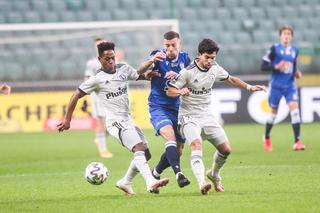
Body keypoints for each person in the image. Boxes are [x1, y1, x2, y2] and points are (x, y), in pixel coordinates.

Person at [57, 41, 169, 195]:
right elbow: (76, 95)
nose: (110, 61)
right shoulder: (97, 79)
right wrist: (67, 120)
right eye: (107, 59)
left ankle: (125, 182)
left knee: (146, 154)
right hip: (115, 122)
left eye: (112, 57)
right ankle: (151, 182)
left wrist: (148, 76)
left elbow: (137, 74)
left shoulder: (123, 68)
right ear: (99, 59)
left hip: (128, 118)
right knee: (139, 149)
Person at [166, 38, 266, 194]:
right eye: (207, 57)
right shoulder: (188, 72)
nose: (210, 61)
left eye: (213, 58)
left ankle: (213, 174)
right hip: (188, 116)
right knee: (196, 144)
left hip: (207, 115)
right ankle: (201, 183)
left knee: (226, 150)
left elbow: (230, 79)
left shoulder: (215, 68)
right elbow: (169, 90)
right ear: (199, 55)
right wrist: (180, 91)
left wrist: (249, 87)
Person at [138, 31, 191, 188]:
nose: (169, 48)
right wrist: (151, 62)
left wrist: (180, 76)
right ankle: (179, 174)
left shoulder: (185, 58)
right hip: (158, 106)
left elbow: (190, 80)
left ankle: (155, 172)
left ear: (179, 44)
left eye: (173, 45)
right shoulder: (157, 56)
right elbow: (139, 71)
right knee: (170, 137)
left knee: (179, 150)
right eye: (167, 45)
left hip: (177, 107)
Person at [261, 25, 306, 152]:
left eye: (289, 34)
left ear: (291, 36)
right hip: (276, 86)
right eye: (284, 33)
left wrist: (296, 73)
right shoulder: (274, 49)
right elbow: (263, 66)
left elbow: (294, 66)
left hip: (290, 86)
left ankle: (297, 141)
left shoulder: (295, 50)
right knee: (273, 114)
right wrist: (276, 66)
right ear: (280, 36)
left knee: (295, 111)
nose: (286, 36)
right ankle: (267, 137)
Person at [81, 37, 113, 158]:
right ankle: (103, 149)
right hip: (97, 95)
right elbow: (87, 79)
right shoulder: (92, 63)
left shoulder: (111, 60)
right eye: (98, 45)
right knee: (101, 121)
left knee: (109, 122)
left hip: (109, 94)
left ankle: (99, 139)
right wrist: (84, 98)